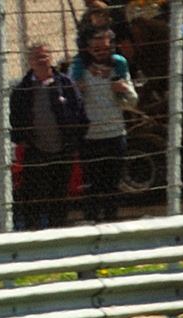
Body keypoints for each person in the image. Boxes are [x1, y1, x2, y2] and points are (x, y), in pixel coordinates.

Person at [9, 43, 87, 230]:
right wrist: (23, 140)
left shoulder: (65, 84)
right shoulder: (22, 90)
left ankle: (58, 232)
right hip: (35, 152)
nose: (41, 60)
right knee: (34, 198)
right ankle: (34, 234)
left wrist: (73, 141)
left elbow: (80, 113)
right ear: (30, 61)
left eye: (45, 56)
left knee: (59, 196)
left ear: (51, 58)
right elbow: (15, 119)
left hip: (63, 151)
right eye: (37, 57)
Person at [71, 29, 137, 223]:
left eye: (105, 48)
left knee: (112, 186)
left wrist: (124, 89)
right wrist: (78, 91)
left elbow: (133, 102)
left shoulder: (118, 66)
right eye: (96, 48)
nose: (101, 52)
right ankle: (91, 224)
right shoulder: (78, 67)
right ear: (87, 47)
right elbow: (69, 100)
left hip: (115, 134)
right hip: (89, 137)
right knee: (91, 187)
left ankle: (111, 223)